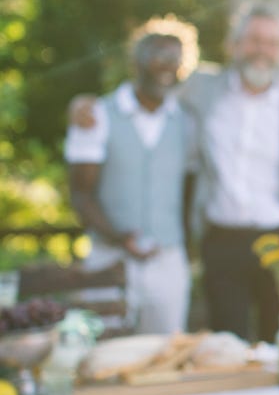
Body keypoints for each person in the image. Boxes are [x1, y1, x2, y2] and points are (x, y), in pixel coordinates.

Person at [71, 4, 279, 342]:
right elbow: (149, 90)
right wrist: (82, 104)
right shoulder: (202, 89)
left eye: (271, 42)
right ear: (234, 45)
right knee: (225, 344)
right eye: (253, 40)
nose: (261, 50)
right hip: (221, 238)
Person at [66, 22, 197, 335]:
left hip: (168, 261)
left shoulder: (188, 122)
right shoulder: (97, 115)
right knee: (103, 353)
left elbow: (192, 189)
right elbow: (80, 195)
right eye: (158, 56)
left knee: (164, 356)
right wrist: (119, 236)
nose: (167, 65)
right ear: (136, 62)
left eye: (174, 58)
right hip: (108, 257)